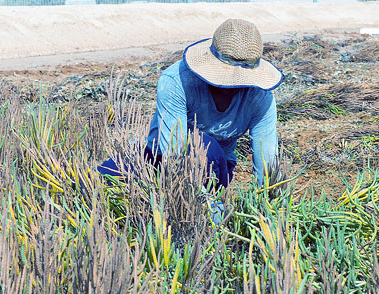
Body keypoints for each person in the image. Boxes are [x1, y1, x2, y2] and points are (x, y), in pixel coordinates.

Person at [97, 18, 283, 190]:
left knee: (206, 145)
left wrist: (268, 202)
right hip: (158, 154)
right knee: (98, 181)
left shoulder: (260, 97)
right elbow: (174, 151)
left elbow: (267, 157)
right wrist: (195, 199)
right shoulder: (177, 81)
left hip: (215, 164)